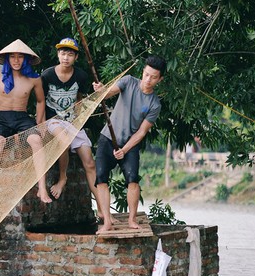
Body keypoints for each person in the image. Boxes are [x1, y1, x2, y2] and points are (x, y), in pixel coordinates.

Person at [0, 39, 51, 203]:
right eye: (12, 57)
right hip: (2, 118)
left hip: (22, 117)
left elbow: (41, 101)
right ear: (7, 58)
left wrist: (41, 123)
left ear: (25, 59)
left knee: (36, 140)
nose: (16, 60)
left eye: (20, 56)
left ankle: (42, 189)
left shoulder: (34, 79)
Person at [92, 55, 166, 232]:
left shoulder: (154, 104)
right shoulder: (128, 81)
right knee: (101, 177)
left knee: (132, 179)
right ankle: (107, 221)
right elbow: (109, 93)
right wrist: (101, 90)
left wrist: (124, 150)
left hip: (130, 144)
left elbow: (141, 132)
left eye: (153, 77)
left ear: (160, 79)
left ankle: (132, 219)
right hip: (107, 138)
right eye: (146, 74)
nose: (148, 80)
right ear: (143, 71)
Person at [40, 37, 100, 202]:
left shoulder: (81, 76)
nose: (66, 57)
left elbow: (79, 99)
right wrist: (41, 124)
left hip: (72, 122)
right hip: (52, 120)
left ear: (76, 57)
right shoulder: (47, 75)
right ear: (58, 54)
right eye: (63, 53)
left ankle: (102, 210)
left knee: (90, 162)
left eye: (70, 54)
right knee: (64, 140)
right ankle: (62, 178)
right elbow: (40, 101)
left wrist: (78, 118)